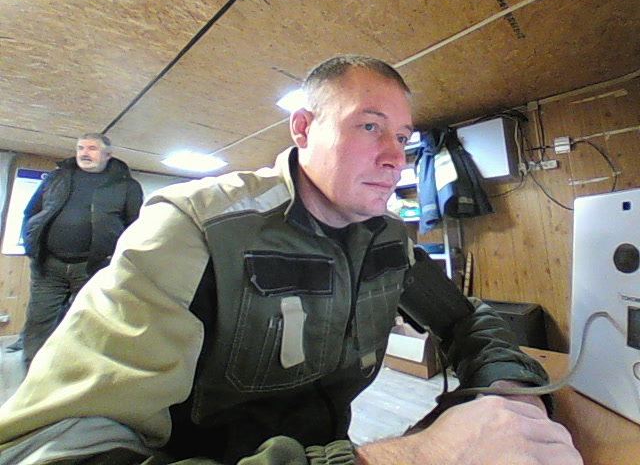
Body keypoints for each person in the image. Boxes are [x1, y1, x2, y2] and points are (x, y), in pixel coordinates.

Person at [0, 56, 582, 465]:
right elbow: (55, 448)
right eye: (370, 126)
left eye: (403, 138)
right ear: (303, 128)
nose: (394, 158)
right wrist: (414, 456)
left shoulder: (387, 236)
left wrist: (506, 390)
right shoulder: (196, 227)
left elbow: (466, 321)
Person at [13, 133, 143, 364]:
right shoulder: (57, 178)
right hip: (49, 265)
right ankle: (35, 369)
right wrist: (32, 245)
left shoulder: (126, 186)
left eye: (92, 148)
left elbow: (135, 227)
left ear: (108, 154)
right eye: (80, 148)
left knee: (89, 321)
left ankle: (78, 370)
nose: (84, 153)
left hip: (93, 267)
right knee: (39, 320)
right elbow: (31, 212)